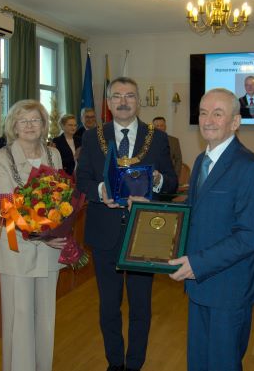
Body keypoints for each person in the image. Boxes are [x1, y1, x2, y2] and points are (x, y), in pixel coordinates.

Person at [76, 77, 178, 371]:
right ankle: (114, 364)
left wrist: (157, 180)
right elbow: (82, 179)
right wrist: (100, 191)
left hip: (143, 234)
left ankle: (134, 364)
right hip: (104, 232)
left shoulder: (156, 137)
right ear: (108, 102)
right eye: (117, 96)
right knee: (109, 306)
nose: (123, 101)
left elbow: (171, 182)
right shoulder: (92, 136)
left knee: (141, 307)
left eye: (130, 95)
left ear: (138, 102)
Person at [168, 88, 254, 371]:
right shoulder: (202, 160)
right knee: (199, 362)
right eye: (203, 112)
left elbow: (249, 236)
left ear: (235, 122)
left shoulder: (249, 167)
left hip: (229, 288)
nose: (208, 120)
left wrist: (197, 264)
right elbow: (193, 214)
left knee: (223, 364)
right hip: (199, 285)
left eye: (217, 113)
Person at [0, 99, 67, 371]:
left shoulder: (53, 154)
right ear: (13, 126)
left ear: (44, 125)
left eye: (35, 120)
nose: (30, 126)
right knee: (19, 315)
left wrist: (58, 228)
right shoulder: (2, 156)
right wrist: (40, 234)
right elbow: (6, 205)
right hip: (17, 245)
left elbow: (61, 198)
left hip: (49, 247)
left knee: (45, 314)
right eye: (23, 121)